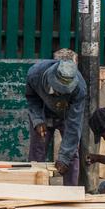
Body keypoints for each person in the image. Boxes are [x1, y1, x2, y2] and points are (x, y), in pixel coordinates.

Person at [25, 58, 87, 186]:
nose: (60, 93)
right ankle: (35, 189)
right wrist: (37, 119)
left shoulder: (80, 88)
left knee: (71, 154)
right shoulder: (35, 74)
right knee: (37, 150)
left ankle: (70, 192)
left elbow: (74, 125)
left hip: (67, 116)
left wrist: (64, 158)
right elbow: (32, 99)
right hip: (43, 112)